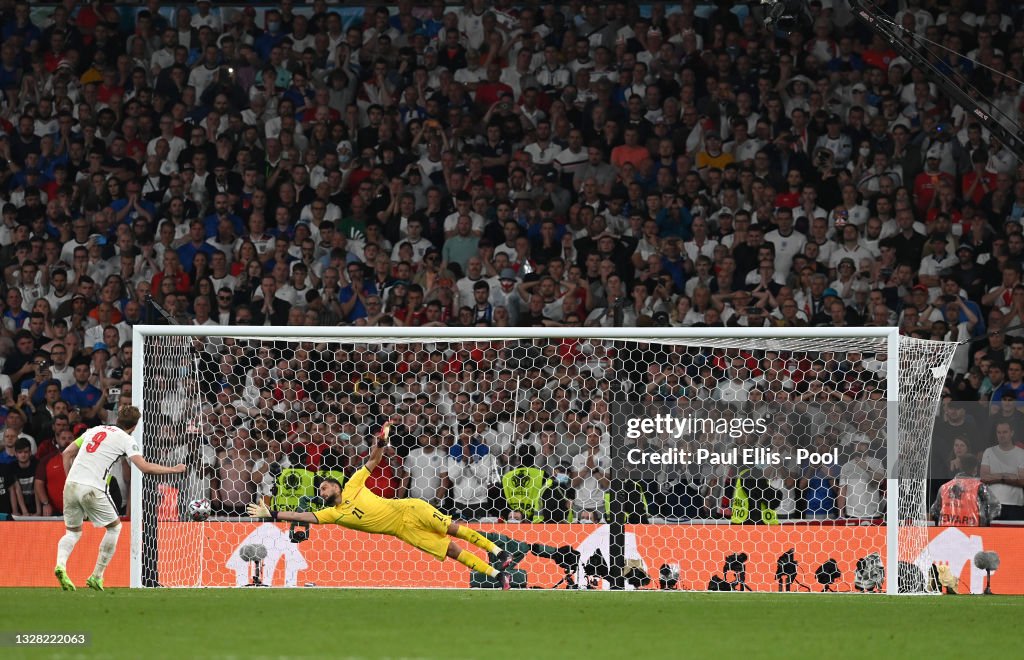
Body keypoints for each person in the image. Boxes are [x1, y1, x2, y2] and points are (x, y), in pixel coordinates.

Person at [246, 421, 515, 588]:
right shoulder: (332, 514)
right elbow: (303, 516)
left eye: (326, 485)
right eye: (321, 488)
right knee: (452, 550)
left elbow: (373, 461)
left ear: (337, 486)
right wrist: (272, 513)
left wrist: (381, 443)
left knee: (453, 529)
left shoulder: (352, 484)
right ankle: (496, 575)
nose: (322, 489)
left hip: (408, 508)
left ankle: (497, 551)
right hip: (404, 531)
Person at [54, 405, 185, 591]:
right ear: (135, 425)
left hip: (71, 485)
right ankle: (96, 576)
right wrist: (174, 469)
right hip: (92, 487)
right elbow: (145, 467)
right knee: (114, 528)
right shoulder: (126, 439)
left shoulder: (95, 430)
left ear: (117, 419)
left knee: (73, 532)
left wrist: (70, 479)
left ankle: (60, 565)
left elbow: (66, 453)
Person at [930, 455, 1001, 526]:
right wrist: (984, 522)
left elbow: (935, 512)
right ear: (975, 469)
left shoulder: (944, 487)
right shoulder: (979, 487)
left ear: (960, 467)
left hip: (947, 531)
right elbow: (994, 508)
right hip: (972, 532)